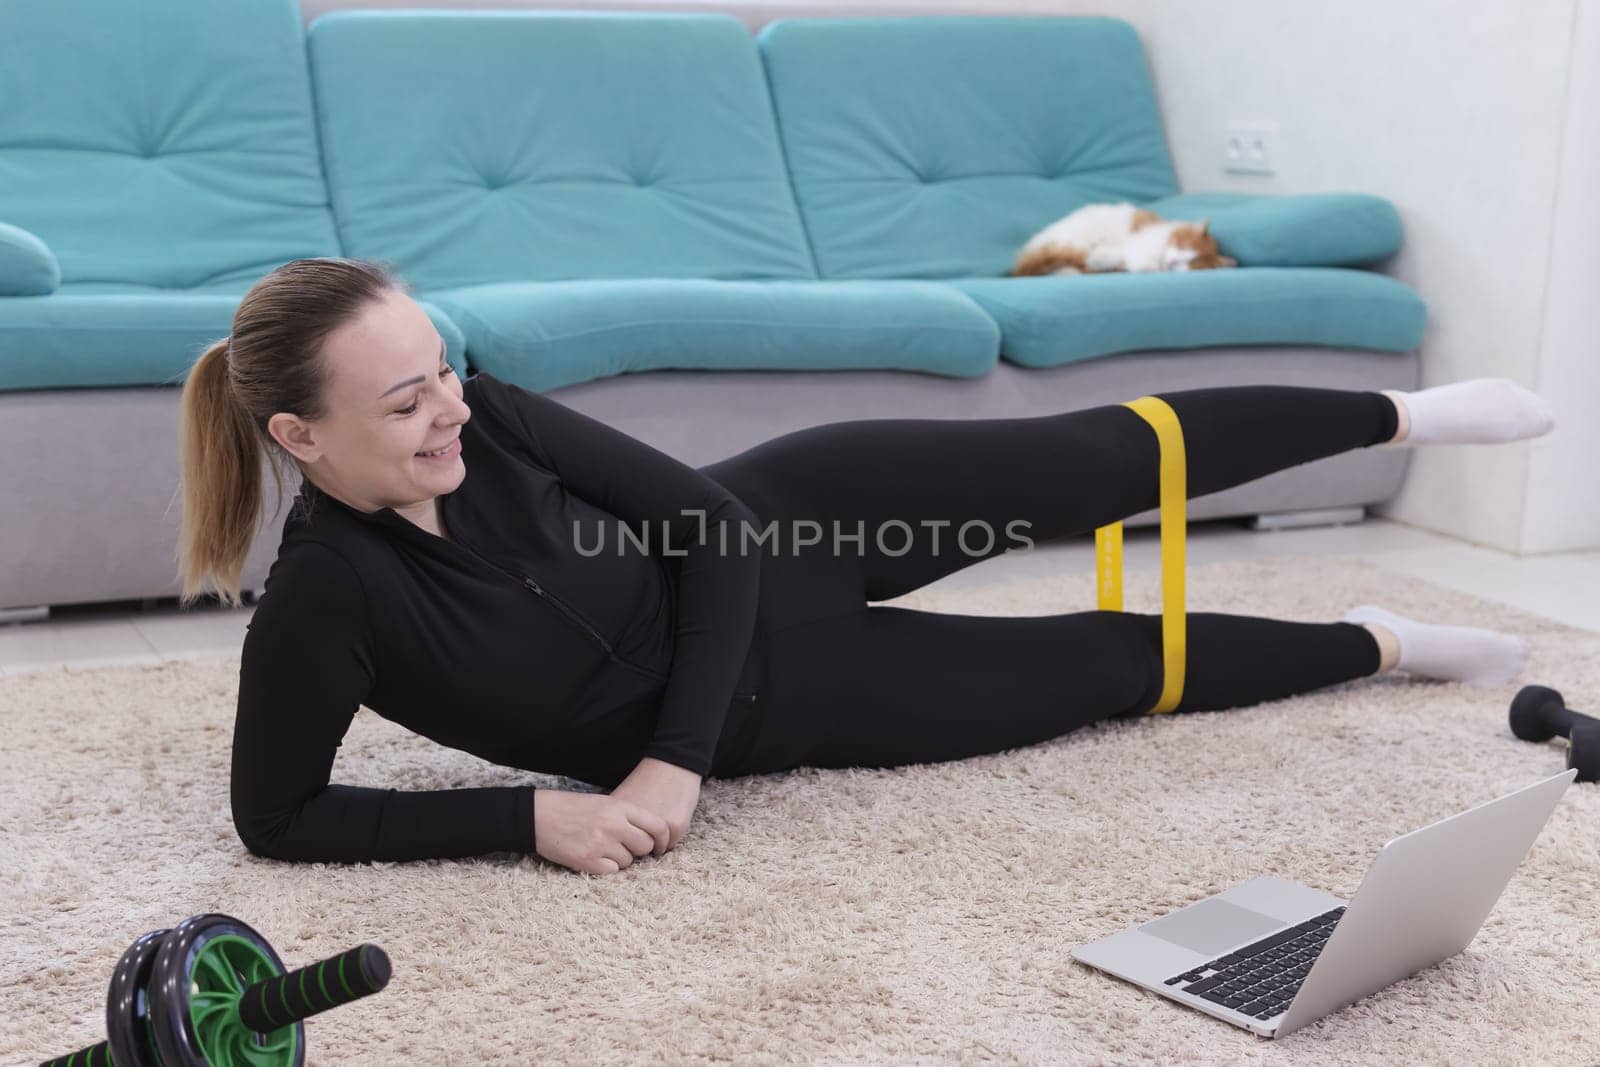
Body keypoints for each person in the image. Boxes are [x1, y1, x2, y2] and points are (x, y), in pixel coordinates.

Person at [178, 257, 1557, 877]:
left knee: (1086, 467)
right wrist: (525, 819)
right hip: (811, 701)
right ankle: (1378, 639)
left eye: (440, 373)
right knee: (1109, 666)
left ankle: (1409, 416)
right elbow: (278, 814)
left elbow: (708, 530)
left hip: (798, 514)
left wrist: (672, 764)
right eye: (405, 404)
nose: (450, 412)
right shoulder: (325, 605)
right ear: (301, 437)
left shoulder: (493, 412)